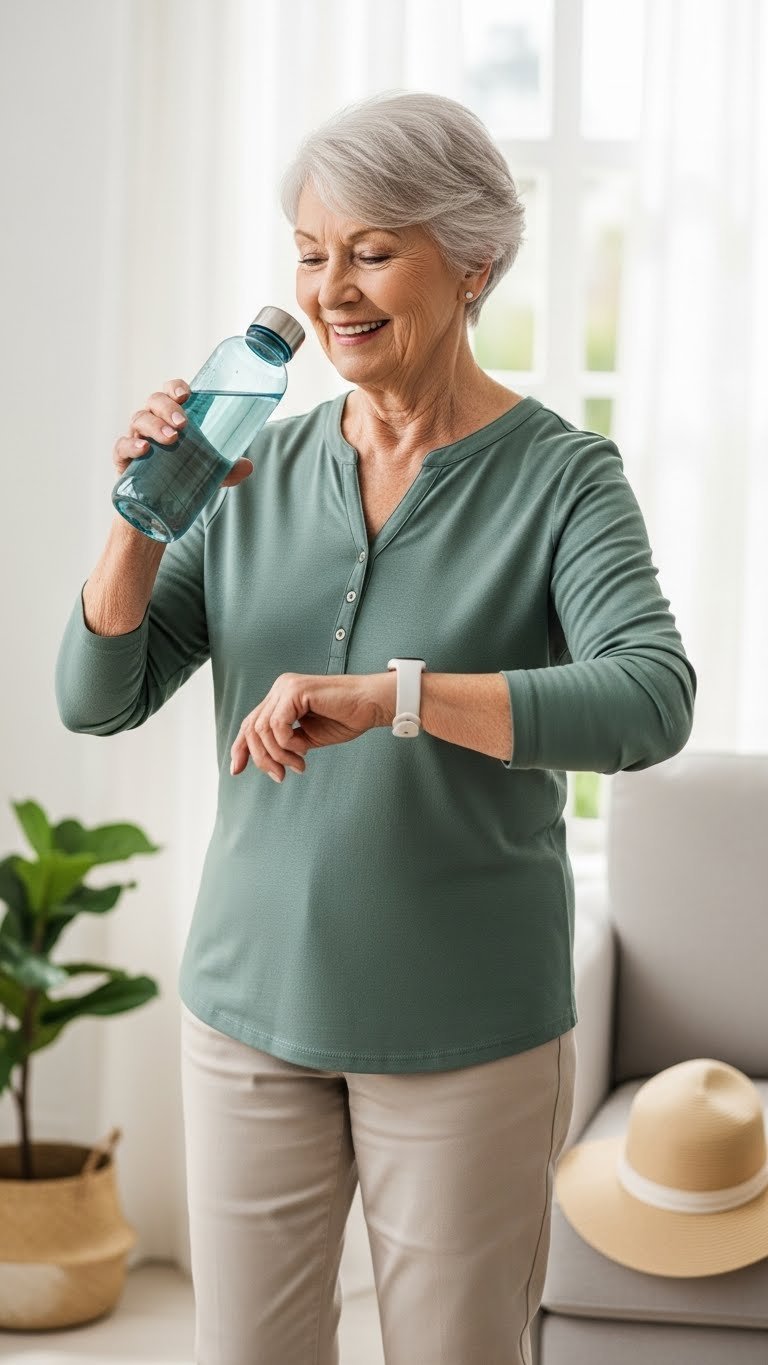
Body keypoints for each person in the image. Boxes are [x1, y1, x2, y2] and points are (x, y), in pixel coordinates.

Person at [55, 90, 697, 1365]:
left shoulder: (564, 479)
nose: (332, 287)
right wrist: (137, 512)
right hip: (247, 1013)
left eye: (371, 249)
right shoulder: (250, 470)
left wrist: (397, 695)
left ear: (476, 263)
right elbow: (98, 696)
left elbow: (650, 697)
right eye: (309, 252)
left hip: (466, 1030)